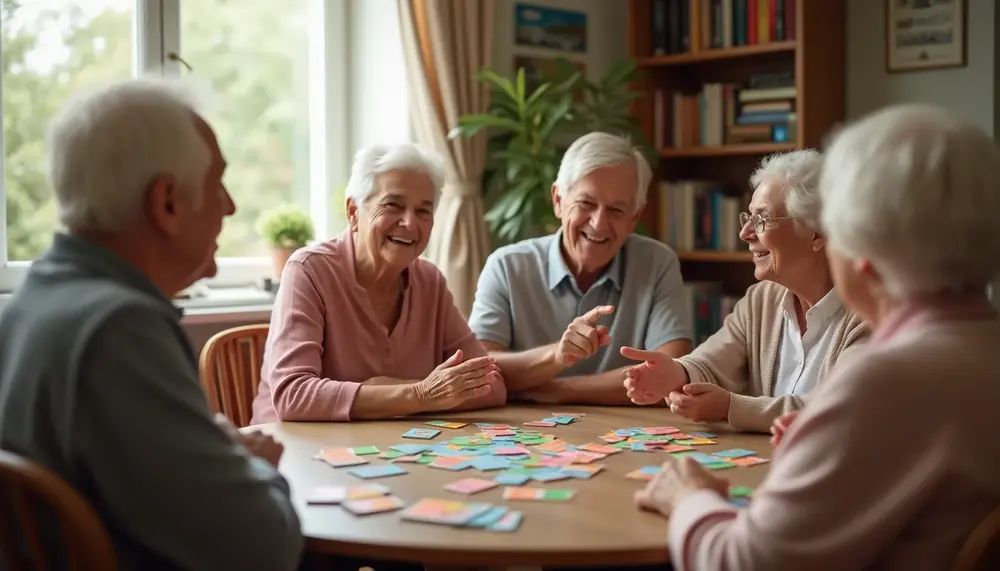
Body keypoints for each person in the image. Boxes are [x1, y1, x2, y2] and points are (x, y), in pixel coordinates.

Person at [635, 104, 1000, 570]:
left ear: (856, 248)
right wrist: (825, 443)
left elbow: (740, 562)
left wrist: (688, 497)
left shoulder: (885, 379)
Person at [0, 79, 302, 570]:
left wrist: (215, 449)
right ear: (167, 203)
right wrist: (254, 463)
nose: (229, 206)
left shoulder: (32, 302)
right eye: (217, 182)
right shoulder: (119, 330)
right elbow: (264, 548)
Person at [251, 144, 506, 423]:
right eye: (393, 205)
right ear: (353, 212)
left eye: (424, 211)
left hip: (387, 452)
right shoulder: (309, 270)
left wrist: (388, 389)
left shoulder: (429, 281)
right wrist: (419, 394)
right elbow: (293, 395)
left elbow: (491, 386)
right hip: (291, 452)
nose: (409, 222)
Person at [621, 149, 868, 432]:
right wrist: (675, 372)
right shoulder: (761, 298)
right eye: (748, 217)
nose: (745, 233)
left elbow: (840, 406)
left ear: (817, 233)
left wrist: (731, 408)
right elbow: (714, 360)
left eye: (762, 219)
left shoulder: (870, 311)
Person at [468, 132, 693, 406]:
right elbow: (477, 370)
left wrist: (558, 390)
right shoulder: (506, 266)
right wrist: (556, 356)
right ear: (558, 200)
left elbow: (670, 372)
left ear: (635, 216)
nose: (598, 223)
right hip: (521, 433)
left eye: (617, 210)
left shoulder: (657, 263)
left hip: (629, 430)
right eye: (586, 204)